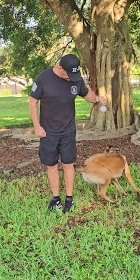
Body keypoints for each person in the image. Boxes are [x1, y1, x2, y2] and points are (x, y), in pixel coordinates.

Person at [29, 54, 107, 213]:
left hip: (68, 130)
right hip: (48, 131)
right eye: (68, 74)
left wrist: (98, 98)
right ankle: (56, 199)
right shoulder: (44, 78)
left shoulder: (75, 78)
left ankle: (69, 199)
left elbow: (86, 94)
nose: (71, 78)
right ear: (60, 68)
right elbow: (33, 101)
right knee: (51, 166)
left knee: (68, 164)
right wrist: (36, 126)